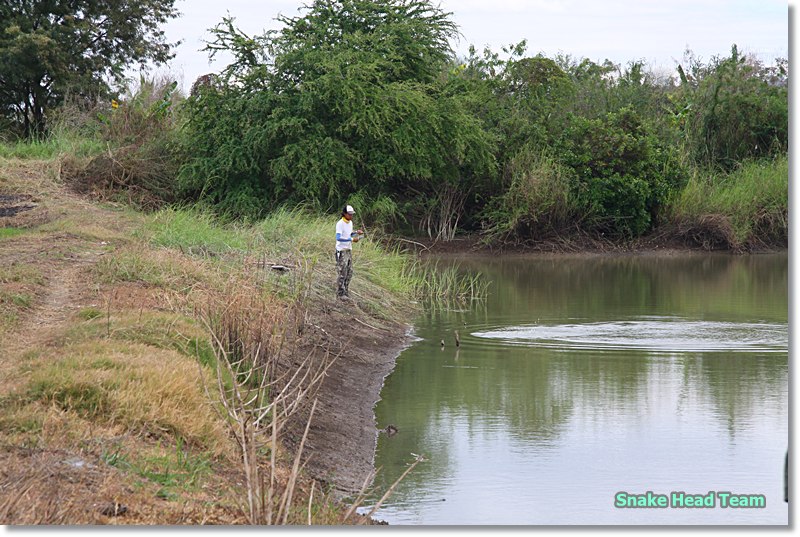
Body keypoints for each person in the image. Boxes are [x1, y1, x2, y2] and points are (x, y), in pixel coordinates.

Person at [335, 205, 362, 299]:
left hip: (348, 250)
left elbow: (348, 234)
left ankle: (345, 291)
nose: (351, 216)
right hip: (341, 250)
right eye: (349, 214)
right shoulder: (340, 223)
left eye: (352, 214)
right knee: (343, 272)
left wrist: (356, 232)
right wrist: (351, 239)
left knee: (350, 272)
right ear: (345, 213)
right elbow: (338, 238)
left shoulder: (350, 223)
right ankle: (340, 293)